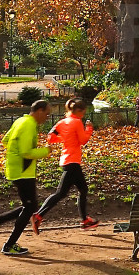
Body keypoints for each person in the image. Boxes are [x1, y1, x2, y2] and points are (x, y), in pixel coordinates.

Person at [0, 99, 51, 255]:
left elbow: (5, 140)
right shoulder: (29, 125)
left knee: (30, 206)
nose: (47, 118)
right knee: (30, 207)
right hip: (23, 171)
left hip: (16, 169)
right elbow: (26, 152)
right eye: (47, 114)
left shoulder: (20, 120)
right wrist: (46, 151)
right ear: (39, 111)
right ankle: (9, 245)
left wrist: (13, 156)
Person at [33, 97, 99, 232]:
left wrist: (64, 138)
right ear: (79, 111)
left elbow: (50, 137)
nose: (84, 114)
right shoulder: (77, 122)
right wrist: (89, 129)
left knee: (81, 190)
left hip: (66, 160)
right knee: (60, 193)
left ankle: (85, 220)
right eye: (83, 111)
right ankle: (38, 215)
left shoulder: (62, 122)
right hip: (73, 160)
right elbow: (83, 140)